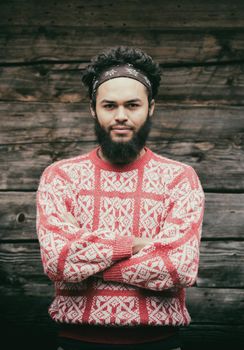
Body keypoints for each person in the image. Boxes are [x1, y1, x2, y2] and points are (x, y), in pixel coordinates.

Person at [36, 46, 205, 350]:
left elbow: (179, 267)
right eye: (110, 106)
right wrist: (136, 244)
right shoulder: (60, 176)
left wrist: (90, 263)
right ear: (93, 108)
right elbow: (58, 261)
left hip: (160, 343)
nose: (121, 116)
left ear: (150, 107)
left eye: (132, 105)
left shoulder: (180, 178)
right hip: (76, 342)